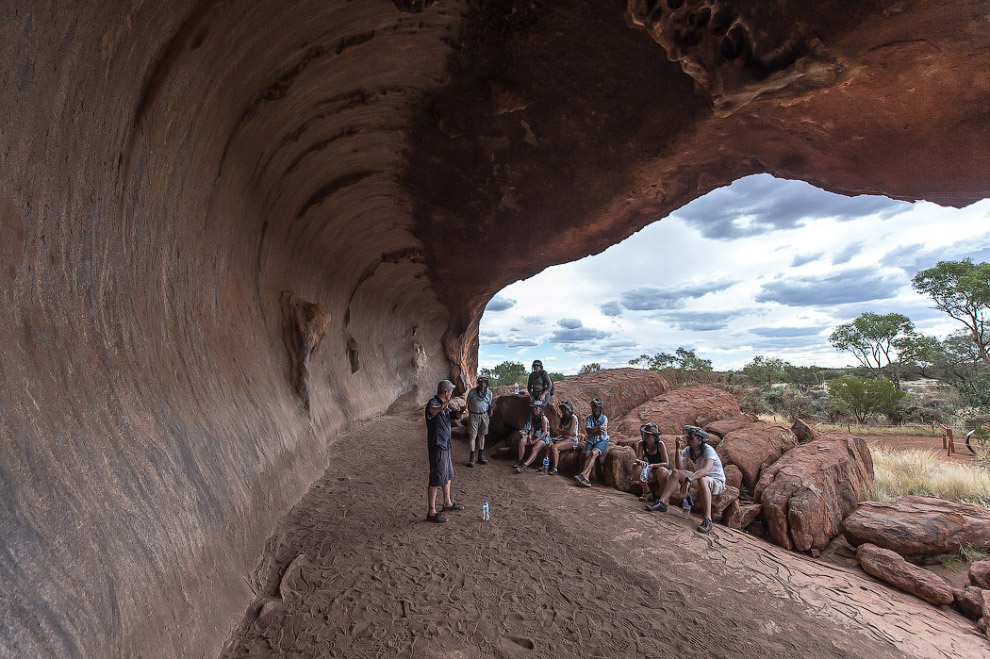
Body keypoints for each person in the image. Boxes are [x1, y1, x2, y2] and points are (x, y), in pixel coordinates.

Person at [646, 425, 726, 534]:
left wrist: (690, 479)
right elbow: (679, 467)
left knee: (702, 479)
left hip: (716, 481)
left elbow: (706, 471)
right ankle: (662, 503)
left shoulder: (708, 450)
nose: (687, 438)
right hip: (699, 477)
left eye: (690, 437)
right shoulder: (689, 450)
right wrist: (678, 448)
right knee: (675, 473)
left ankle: (708, 519)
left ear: (699, 440)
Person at [425, 380, 464, 523]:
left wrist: (461, 411)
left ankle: (447, 503)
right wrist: (442, 408)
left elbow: (457, 416)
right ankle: (431, 512)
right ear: (446, 392)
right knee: (436, 476)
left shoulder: (448, 405)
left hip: (445, 445)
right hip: (437, 445)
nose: (451, 394)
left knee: (447, 474)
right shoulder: (433, 403)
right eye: (451, 391)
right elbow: (431, 411)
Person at [574, 398, 608, 487]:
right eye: (593, 407)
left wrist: (594, 430)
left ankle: (583, 474)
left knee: (594, 453)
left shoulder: (604, 418)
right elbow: (588, 431)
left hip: (601, 440)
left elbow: (601, 433)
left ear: (600, 409)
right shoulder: (589, 417)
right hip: (591, 440)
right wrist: (598, 428)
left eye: (595, 408)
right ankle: (586, 479)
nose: (594, 409)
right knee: (587, 456)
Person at [632, 422, 670, 501]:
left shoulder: (660, 444)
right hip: (650, 470)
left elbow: (666, 464)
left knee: (661, 470)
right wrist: (641, 462)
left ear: (654, 436)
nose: (645, 436)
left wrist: (653, 465)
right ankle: (647, 492)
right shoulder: (641, 444)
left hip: (660, 470)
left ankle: (664, 497)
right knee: (635, 466)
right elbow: (637, 459)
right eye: (644, 433)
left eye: (647, 434)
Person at [465, 376, 492, 467]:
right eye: (480, 382)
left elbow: (490, 405)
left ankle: (481, 456)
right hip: (474, 415)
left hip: (484, 415)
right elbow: (467, 404)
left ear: (486, 383)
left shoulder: (489, 393)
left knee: (482, 435)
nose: (482, 384)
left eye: (484, 382)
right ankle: (472, 457)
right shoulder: (472, 392)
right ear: (478, 383)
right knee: (473, 435)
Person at [516, 401, 550, 472]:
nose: (534, 409)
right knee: (522, 441)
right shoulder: (533, 418)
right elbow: (532, 430)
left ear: (540, 409)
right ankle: (520, 461)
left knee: (534, 449)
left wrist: (536, 440)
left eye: (536, 408)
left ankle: (525, 465)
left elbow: (545, 432)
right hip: (536, 435)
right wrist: (530, 436)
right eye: (533, 408)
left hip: (543, 437)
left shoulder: (543, 418)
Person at [548, 400, 580, 474]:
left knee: (555, 447)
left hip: (572, 440)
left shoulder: (573, 418)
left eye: (565, 409)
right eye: (562, 409)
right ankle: (546, 464)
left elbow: (570, 432)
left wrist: (563, 431)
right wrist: (562, 432)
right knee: (549, 444)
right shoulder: (562, 418)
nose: (563, 410)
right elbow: (559, 430)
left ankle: (555, 468)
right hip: (564, 437)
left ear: (569, 409)